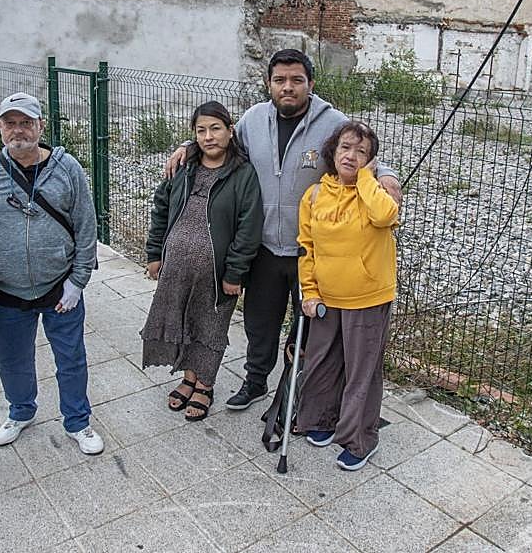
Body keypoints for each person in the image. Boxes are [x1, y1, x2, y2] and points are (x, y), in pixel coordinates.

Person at [166, 49, 401, 410]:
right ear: (269, 84)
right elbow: (221, 141)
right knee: (260, 325)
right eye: (280, 80)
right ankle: (255, 381)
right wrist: (186, 146)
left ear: (311, 83)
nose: (287, 87)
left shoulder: (332, 121)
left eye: (296, 80)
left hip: (311, 251)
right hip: (263, 248)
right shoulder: (253, 119)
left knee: (306, 331)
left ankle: (295, 392)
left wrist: (385, 174)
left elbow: (360, 152)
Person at [0, 92, 104, 455]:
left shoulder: (67, 169)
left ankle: (78, 421)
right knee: (11, 358)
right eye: (10, 123)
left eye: (26, 122)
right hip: (6, 291)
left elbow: (86, 226)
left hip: (59, 288)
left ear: (41, 126)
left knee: (71, 358)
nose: (19, 130)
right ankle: (20, 411)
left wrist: (77, 282)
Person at [142, 101, 263, 422]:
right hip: (177, 266)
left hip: (216, 272)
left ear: (229, 130)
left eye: (215, 128)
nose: (208, 137)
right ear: (193, 135)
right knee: (184, 321)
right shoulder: (183, 167)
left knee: (210, 327)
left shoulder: (243, 174)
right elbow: (161, 208)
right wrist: (155, 253)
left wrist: (235, 272)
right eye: (201, 130)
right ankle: (188, 378)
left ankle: (205, 385)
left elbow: (249, 228)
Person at [296, 120, 399, 470]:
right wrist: (309, 291)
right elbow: (306, 247)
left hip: (368, 297)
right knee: (323, 363)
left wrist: (369, 178)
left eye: (362, 152)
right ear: (332, 151)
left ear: (371, 160)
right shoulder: (314, 195)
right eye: (345, 148)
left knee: (362, 372)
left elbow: (385, 216)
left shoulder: (375, 193)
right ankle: (323, 419)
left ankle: (360, 438)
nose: (351, 156)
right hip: (327, 297)